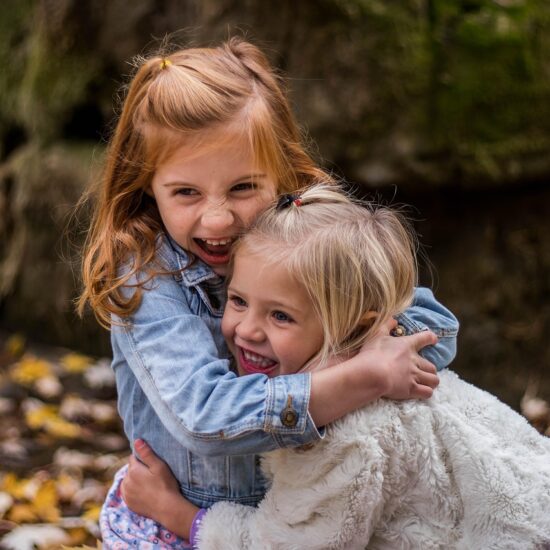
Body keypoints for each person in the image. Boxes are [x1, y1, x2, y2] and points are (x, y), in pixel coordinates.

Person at [77, 38, 457, 547]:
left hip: (301, 517)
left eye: (242, 189)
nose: (218, 219)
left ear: (283, 173)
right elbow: (205, 417)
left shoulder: (307, 241)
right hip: (180, 521)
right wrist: (357, 377)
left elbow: (436, 329)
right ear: (147, 184)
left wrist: (362, 351)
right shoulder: (148, 277)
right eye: (186, 192)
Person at [123, 184, 550, 549]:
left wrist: (176, 514)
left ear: (354, 325)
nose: (246, 330)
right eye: (238, 301)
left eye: (281, 316)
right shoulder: (385, 359)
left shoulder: (345, 434)